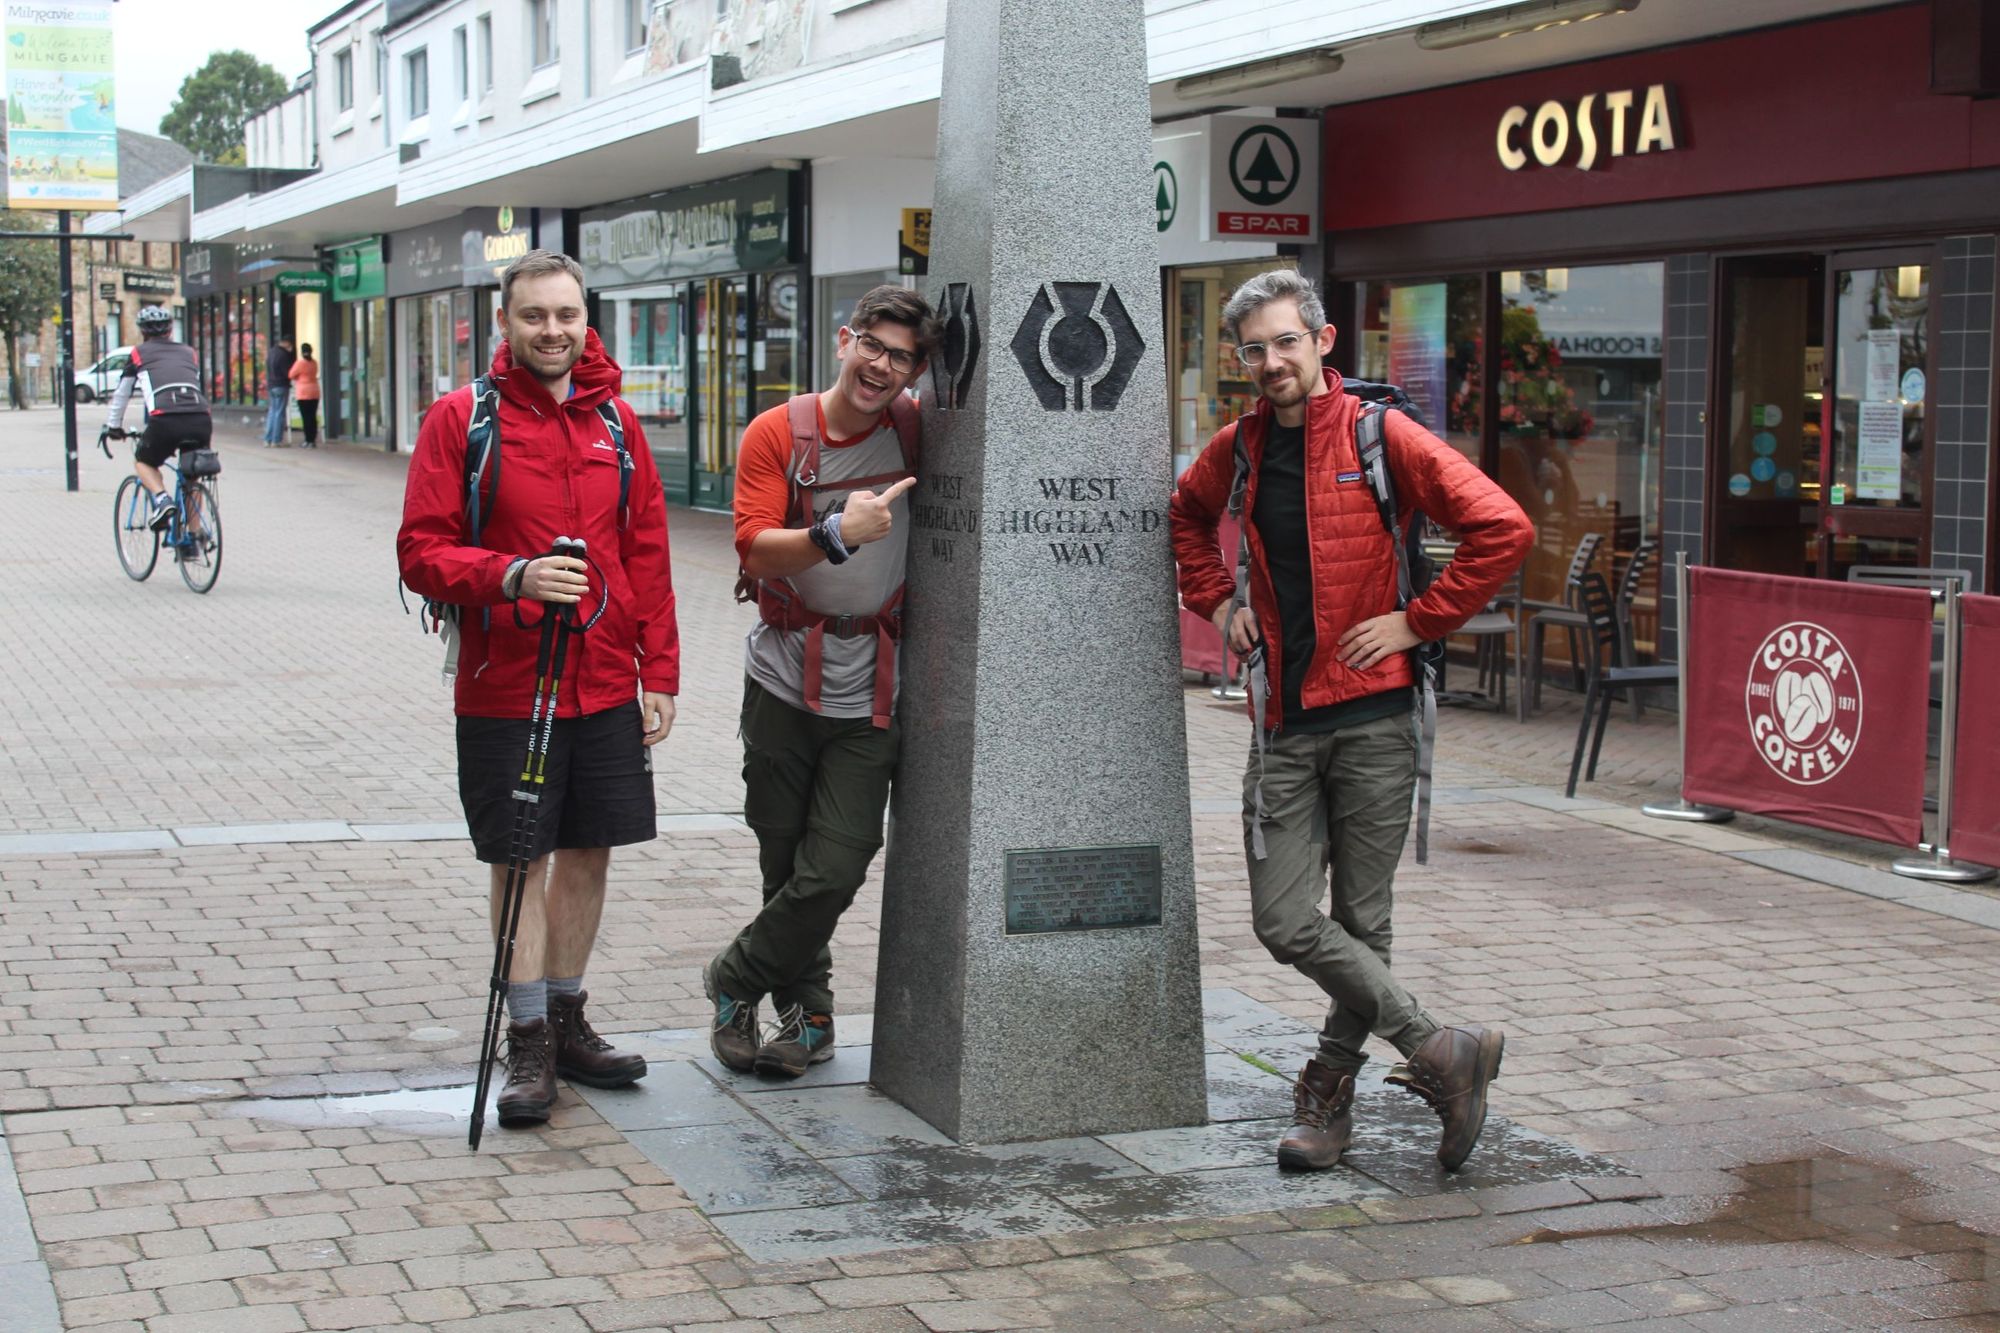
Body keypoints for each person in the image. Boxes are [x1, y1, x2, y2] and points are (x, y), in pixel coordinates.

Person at [1169, 270, 1533, 1174]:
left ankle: (1329, 1098)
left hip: (1375, 721)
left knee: (1363, 923)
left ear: (1323, 341)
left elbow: (1502, 526)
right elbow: (1184, 515)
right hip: (1286, 721)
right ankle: (1439, 1047)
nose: (1270, 362)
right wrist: (1216, 602)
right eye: (1253, 348)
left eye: (1286, 341)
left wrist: (1418, 621)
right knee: (1286, 918)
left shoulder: (1380, 432)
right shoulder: (1241, 446)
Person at [397, 249, 680, 1127]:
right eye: (534, 317)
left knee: (589, 848)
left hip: (602, 685)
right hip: (504, 686)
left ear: (585, 319)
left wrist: (659, 671)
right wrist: (511, 577)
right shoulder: (462, 420)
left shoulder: (617, 426)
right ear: (505, 323)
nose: (552, 331)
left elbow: (648, 557)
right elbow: (420, 550)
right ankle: (525, 1040)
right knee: (519, 859)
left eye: (566, 315)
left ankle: (565, 1017)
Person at [706, 286, 936, 1079]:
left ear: (916, 372)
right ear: (845, 339)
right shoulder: (780, 432)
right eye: (873, 344)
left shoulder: (916, 430)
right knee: (783, 858)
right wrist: (837, 531)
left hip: (872, 687)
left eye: (901, 356)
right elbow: (753, 548)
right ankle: (810, 1020)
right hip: (779, 677)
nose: (881, 365)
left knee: (835, 862)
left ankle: (733, 979)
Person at [104, 303, 212, 535]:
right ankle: (193, 539)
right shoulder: (188, 352)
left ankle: (162, 501)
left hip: (165, 419)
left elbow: (122, 393)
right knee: (192, 476)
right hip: (200, 417)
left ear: (143, 332)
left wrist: (113, 426)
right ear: (170, 330)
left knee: (144, 461)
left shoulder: (138, 353)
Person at [263, 336, 294, 446]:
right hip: (281, 385)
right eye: (290, 344)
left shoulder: (271, 352)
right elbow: (288, 373)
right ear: (286, 343)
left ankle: (267, 439)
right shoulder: (283, 355)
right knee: (279, 413)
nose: (291, 347)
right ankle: (276, 440)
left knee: (272, 412)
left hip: (271, 385)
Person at [289, 342, 321, 447]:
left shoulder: (300, 363)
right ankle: (313, 439)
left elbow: (291, 374)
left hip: (303, 392)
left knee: (305, 417)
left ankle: (307, 440)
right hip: (314, 390)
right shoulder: (314, 363)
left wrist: (298, 378)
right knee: (312, 416)